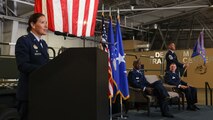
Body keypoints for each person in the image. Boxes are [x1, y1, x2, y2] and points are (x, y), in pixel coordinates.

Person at [15, 13, 49, 120]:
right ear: (33, 25)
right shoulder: (24, 41)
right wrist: (44, 70)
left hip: (41, 91)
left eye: (46, 23)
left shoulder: (43, 43)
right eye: (42, 22)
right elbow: (23, 65)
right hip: (28, 92)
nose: (46, 26)